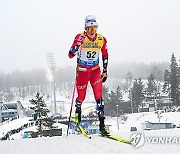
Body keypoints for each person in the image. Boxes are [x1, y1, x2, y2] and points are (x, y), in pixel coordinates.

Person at [68, 15, 109, 136]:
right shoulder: (80, 37)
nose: (92, 31)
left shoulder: (101, 39)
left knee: (99, 97)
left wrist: (105, 70)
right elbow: (70, 54)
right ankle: (77, 113)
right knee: (81, 96)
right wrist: (77, 44)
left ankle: (102, 126)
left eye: (94, 28)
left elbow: (105, 54)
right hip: (82, 71)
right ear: (85, 28)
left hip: (95, 71)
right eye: (89, 29)